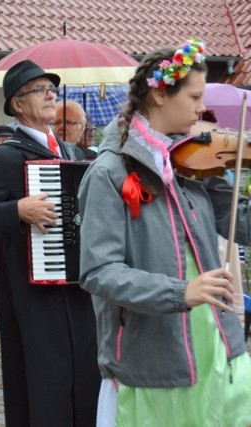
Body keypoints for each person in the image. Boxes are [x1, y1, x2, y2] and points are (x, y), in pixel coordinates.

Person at [78, 38, 251, 426]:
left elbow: (242, 221)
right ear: (159, 94)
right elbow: (98, 272)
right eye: (193, 97)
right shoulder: (109, 172)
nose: (201, 109)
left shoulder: (193, 161)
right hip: (153, 352)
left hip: (216, 337)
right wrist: (180, 291)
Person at [0, 60, 99, 426]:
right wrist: (16, 209)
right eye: (40, 89)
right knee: (45, 383)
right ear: (17, 104)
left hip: (80, 288)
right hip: (34, 296)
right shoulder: (6, 157)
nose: (51, 95)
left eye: (53, 89)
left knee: (86, 375)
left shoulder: (73, 153)